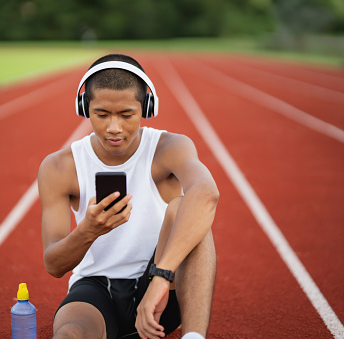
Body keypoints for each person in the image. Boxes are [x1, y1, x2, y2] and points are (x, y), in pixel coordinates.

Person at [38, 53, 219, 339]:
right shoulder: (59, 167)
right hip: (95, 288)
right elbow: (54, 265)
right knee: (69, 335)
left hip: (161, 285)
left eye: (126, 115)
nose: (114, 128)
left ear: (146, 108)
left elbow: (207, 194)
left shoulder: (169, 148)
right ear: (84, 107)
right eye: (101, 114)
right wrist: (88, 230)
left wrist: (162, 277)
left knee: (186, 210)